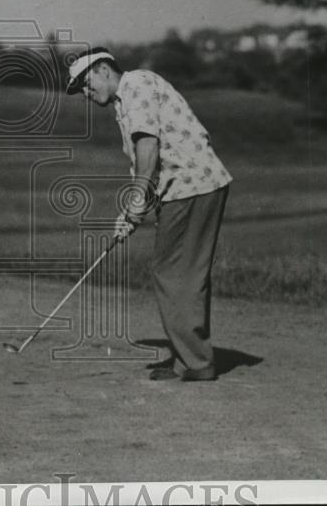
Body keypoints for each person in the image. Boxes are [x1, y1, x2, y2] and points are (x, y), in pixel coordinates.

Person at [66, 47, 232, 382]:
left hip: (192, 186)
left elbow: (149, 149)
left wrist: (137, 200)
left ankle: (196, 361)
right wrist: (130, 214)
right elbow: (145, 163)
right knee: (181, 271)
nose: (85, 92)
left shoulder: (137, 85)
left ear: (102, 69)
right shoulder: (124, 101)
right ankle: (190, 358)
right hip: (187, 187)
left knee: (172, 270)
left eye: (85, 83)